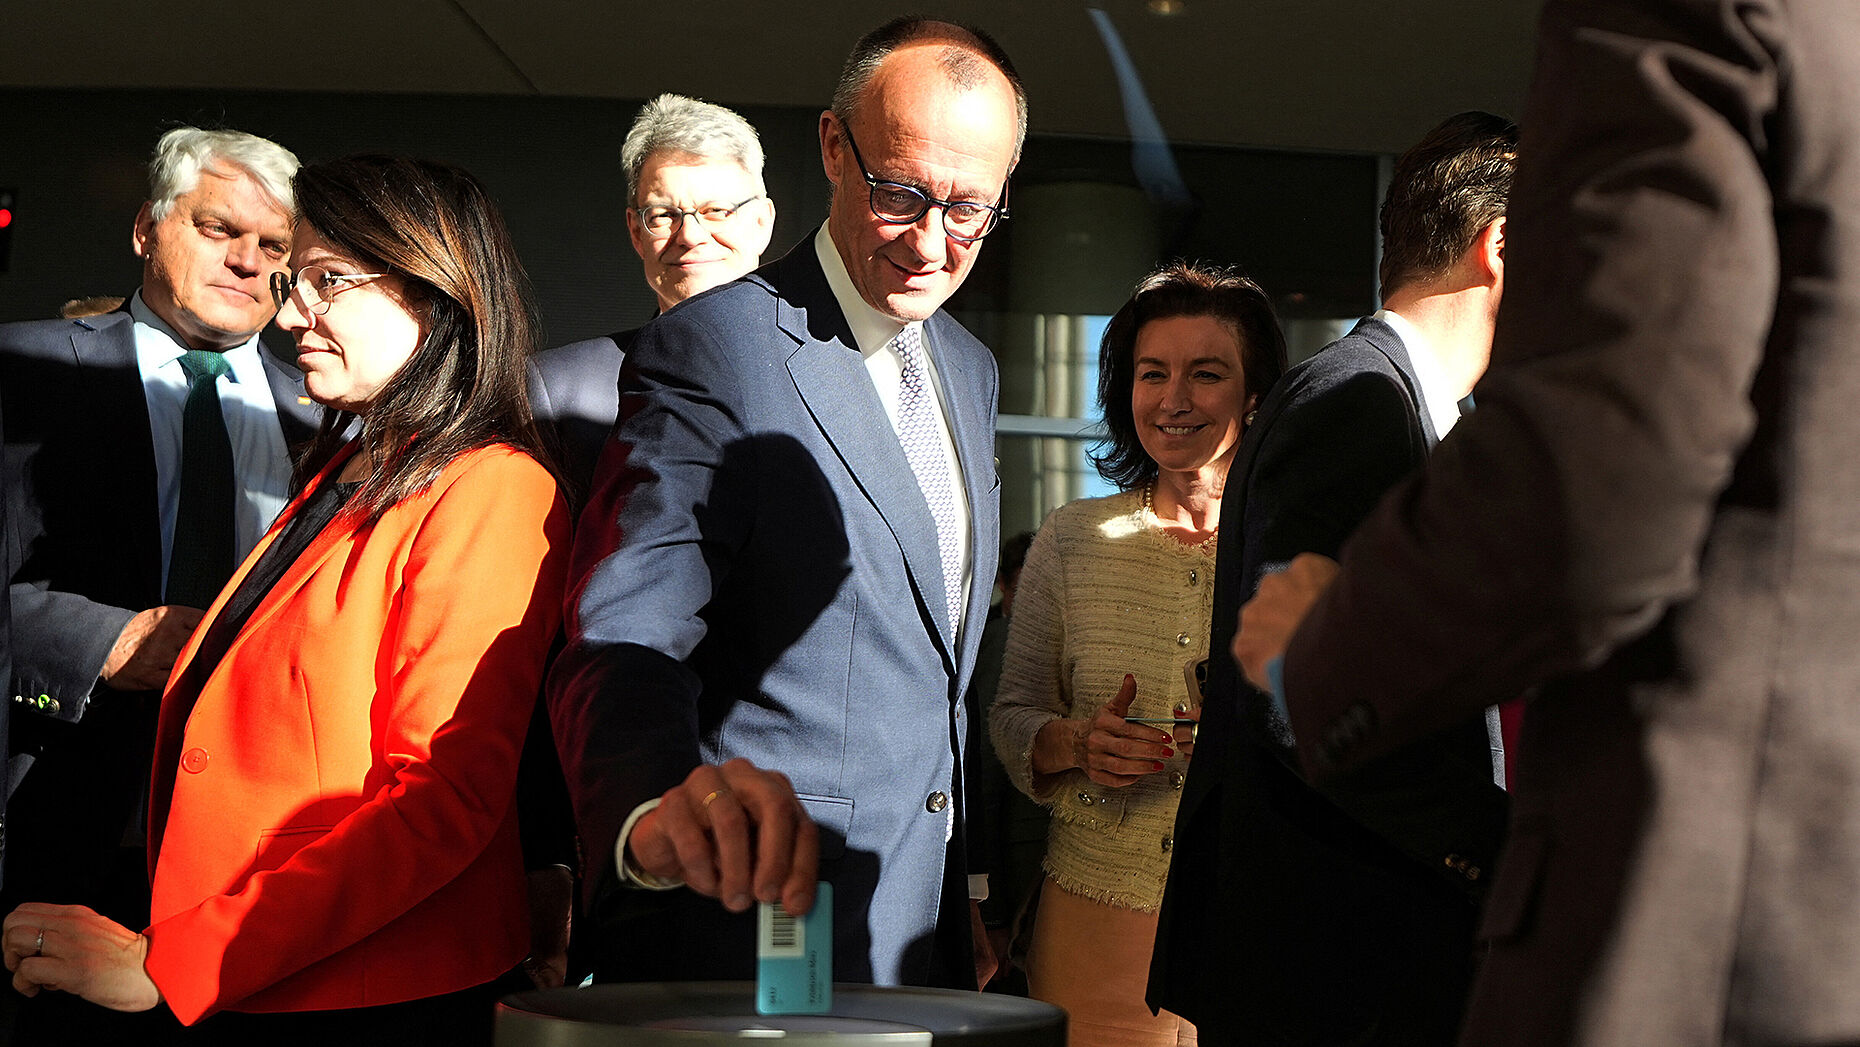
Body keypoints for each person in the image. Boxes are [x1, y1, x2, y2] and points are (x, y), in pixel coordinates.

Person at [1235, 1, 1860, 1044]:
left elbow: (1608, 473)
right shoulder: (1352, 395)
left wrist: (1320, 653)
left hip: (1698, 916)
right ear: (1503, 245)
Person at [1, 154, 570, 1044]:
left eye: (326, 281)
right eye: (290, 282)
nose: (291, 310)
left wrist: (180, 960)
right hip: (266, 971)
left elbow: (440, 801)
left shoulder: (492, 488)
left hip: (361, 993)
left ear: (435, 290)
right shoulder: (349, 468)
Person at [549, 15, 1026, 989]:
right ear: (833, 149)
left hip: (920, 923)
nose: (930, 242)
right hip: (772, 915)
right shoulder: (719, 348)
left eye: (969, 208)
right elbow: (627, 631)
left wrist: (965, 889)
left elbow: (932, 670)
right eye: (901, 194)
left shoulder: (969, 369)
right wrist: (650, 812)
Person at [1149, 112, 1518, 1045]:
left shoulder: (1400, 404)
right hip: (1331, 970)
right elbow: (1295, 688)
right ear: (1502, 246)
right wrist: (1495, 844)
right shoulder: (1359, 400)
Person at [0, 125, 316, 1043]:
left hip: (261, 861)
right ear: (146, 227)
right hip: (62, 829)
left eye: (274, 246)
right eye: (219, 228)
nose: (249, 261)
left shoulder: (332, 411)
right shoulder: (21, 372)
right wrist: (109, 643)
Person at [992, 262, 1288, 1043]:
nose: (1173, 398)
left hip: (1258, 931)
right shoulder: (1072, 538)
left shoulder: (1292, 547)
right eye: (1152, 373)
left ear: (1255, 396)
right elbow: (1012, 715)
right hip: (1092, 934)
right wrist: (1075, 742)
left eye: (1206, 373)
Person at [528, 93, 776, 496]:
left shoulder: (836, 376)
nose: (690, 235)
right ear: (635, 231)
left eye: (717, 211)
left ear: (762, 222)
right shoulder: (560, 393)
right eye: (663, 215)